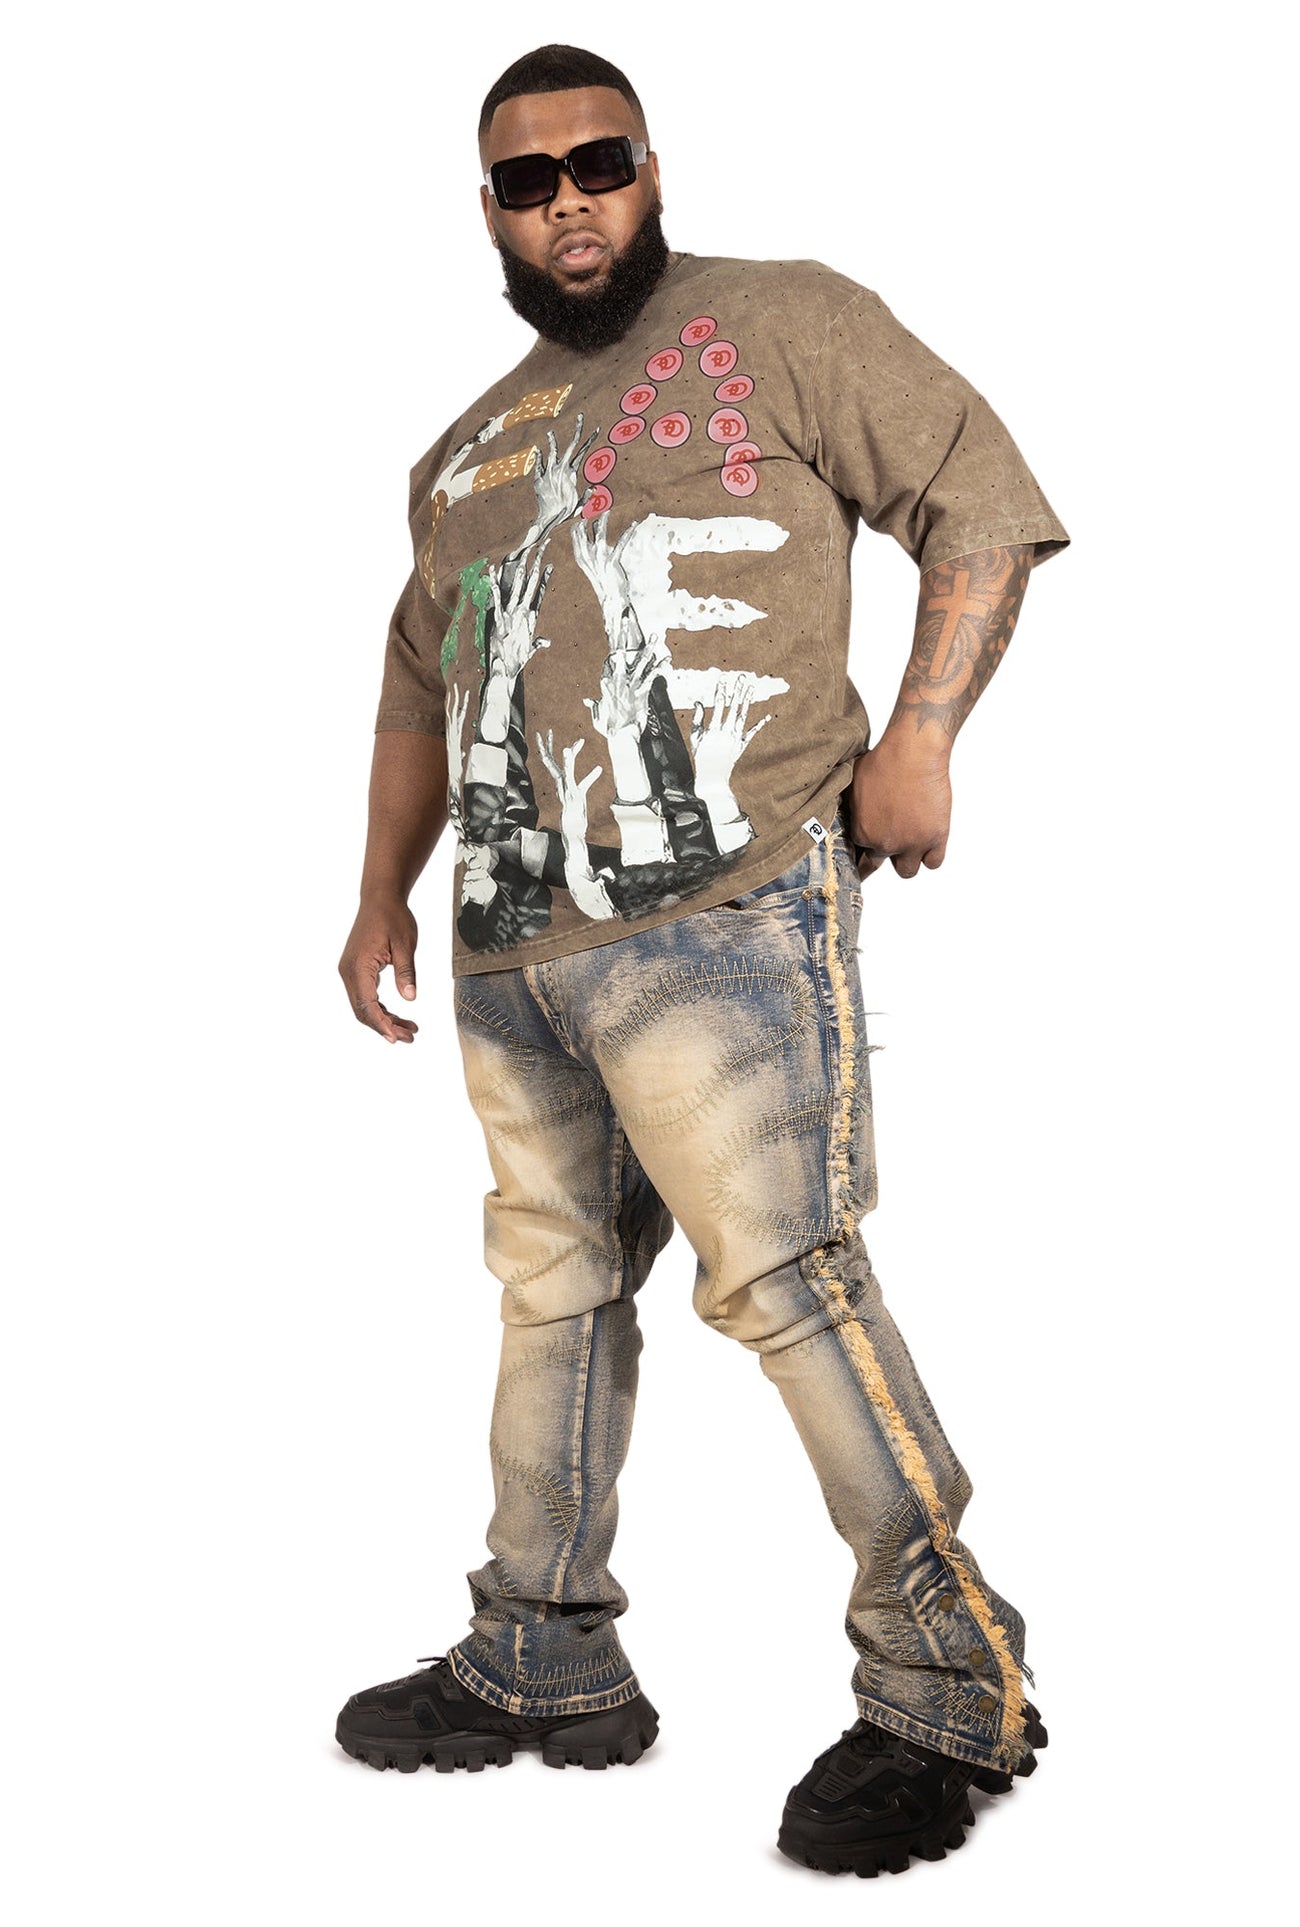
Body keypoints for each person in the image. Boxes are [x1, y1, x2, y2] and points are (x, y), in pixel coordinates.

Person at [334, 43, 1070, 1878]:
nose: (568, 201)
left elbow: (977, 497)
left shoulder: (785, 320)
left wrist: (922, 736)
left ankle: (949, 1687)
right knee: (553, 1298)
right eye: (528, 181)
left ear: (650, 169)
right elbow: (418, 684)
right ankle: (541, 1652)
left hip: (723, 912)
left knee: (788, 1283)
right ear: (490, 211)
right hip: (513, 946)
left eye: (598, 163)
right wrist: (376, 895)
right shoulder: (463, 450)